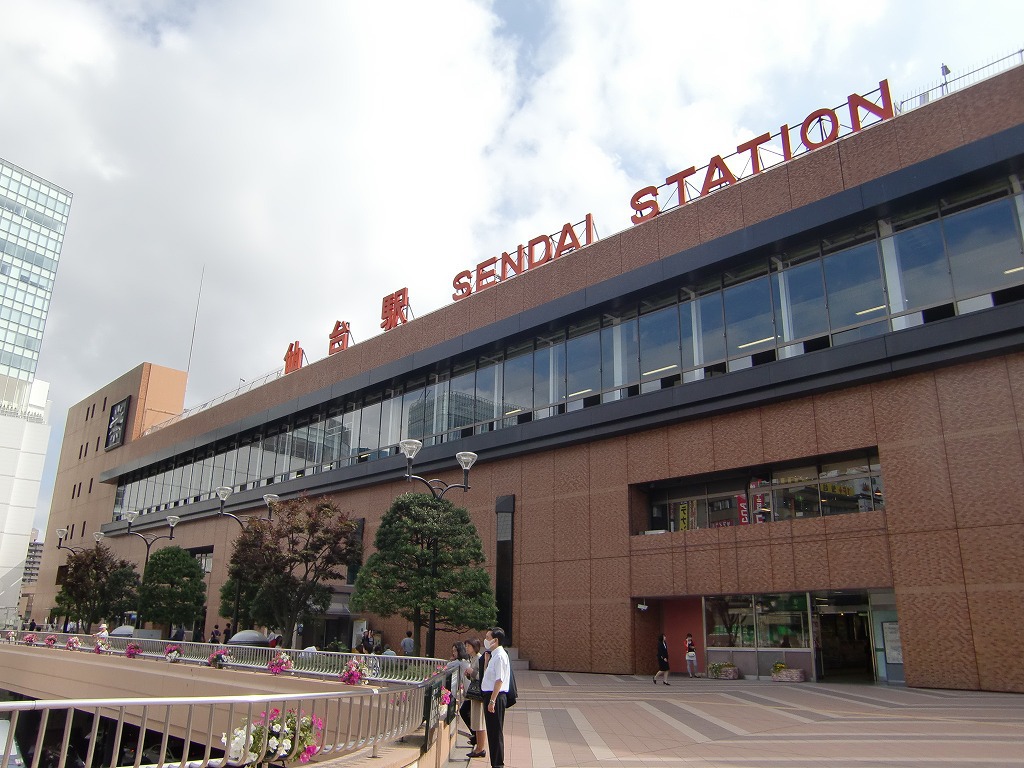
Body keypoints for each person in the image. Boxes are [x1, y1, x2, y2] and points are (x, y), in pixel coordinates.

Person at [481, 627, 510, 768]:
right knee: (492, 731)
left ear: (495, 640)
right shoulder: (494, 655)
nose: (486, 640)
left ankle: (498, 764)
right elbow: (490, 676)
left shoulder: (500, 656)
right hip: (491, 695)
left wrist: (492, 700)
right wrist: (486, 661)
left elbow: (499, 680)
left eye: (488, 637)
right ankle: (495, 763)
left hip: (495, 697)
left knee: (495, 732)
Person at [461, 638, 487, 758]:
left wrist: (472, 672)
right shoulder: (472, 658)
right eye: (466, 646)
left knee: (479, 721)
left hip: (478, 695)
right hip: (475, 695)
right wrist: (469, 674)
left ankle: (480, 748)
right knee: (476, 721)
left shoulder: (479, 658)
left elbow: (482, 676)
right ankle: (478, 746)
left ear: (474, 647)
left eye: (468, 646)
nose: (466, 648)